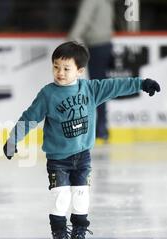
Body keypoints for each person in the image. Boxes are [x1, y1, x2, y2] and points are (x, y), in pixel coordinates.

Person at [3, 41, 160, 239]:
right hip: (58, 158)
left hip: (83, 156)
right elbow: (29, 117)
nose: (60, 72)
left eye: (66, 68)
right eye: (56, 67)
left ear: (80, 71)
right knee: (61, 198)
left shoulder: (90, 89)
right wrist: (13, 139)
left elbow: (117, 85)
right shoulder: (48, 94)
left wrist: (142, 83)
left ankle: (78, 238)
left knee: (81, 197)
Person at [68, 0, 115, 141]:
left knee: (97, 87)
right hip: (106, 44)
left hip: (96, 45)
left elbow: (83, 19)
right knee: (99, 87)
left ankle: (101, 128)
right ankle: (102, 127)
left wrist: (71, 39)